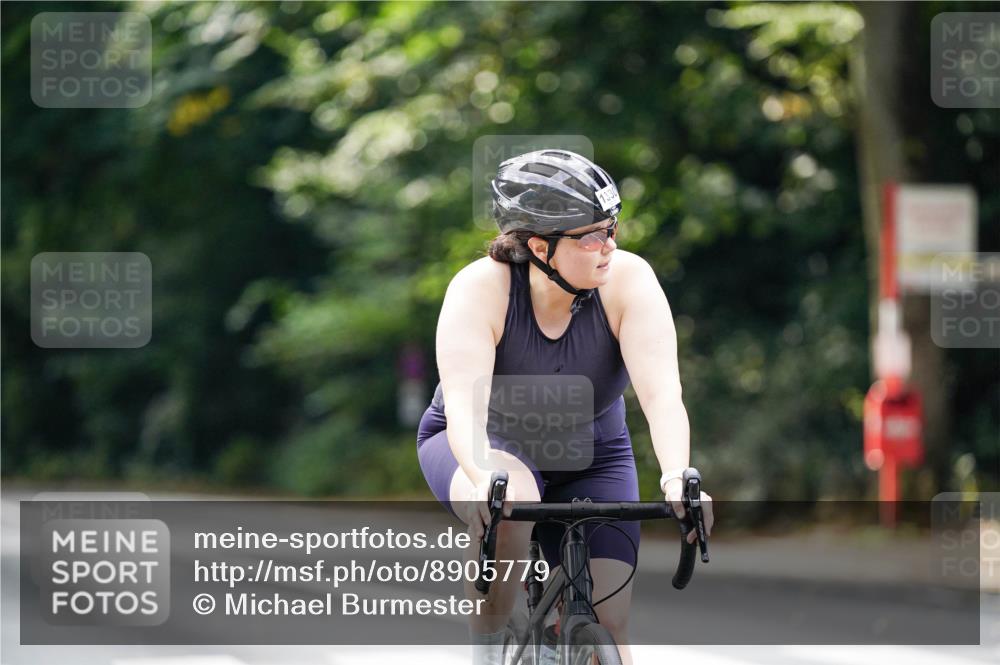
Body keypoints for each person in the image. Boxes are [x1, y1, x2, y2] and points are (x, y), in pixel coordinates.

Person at [415, 149, 714, 665]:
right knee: (513, 502)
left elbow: (662, 394)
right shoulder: (479, 290)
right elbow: (465, 407)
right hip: (485, 444)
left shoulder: (629, 281)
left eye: (612, 229)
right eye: (590, 235)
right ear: (539, 247)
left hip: (594, 453)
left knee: (611, 620)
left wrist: (675, 478)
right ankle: (486, 652)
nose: (608, 246)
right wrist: (484, 475)